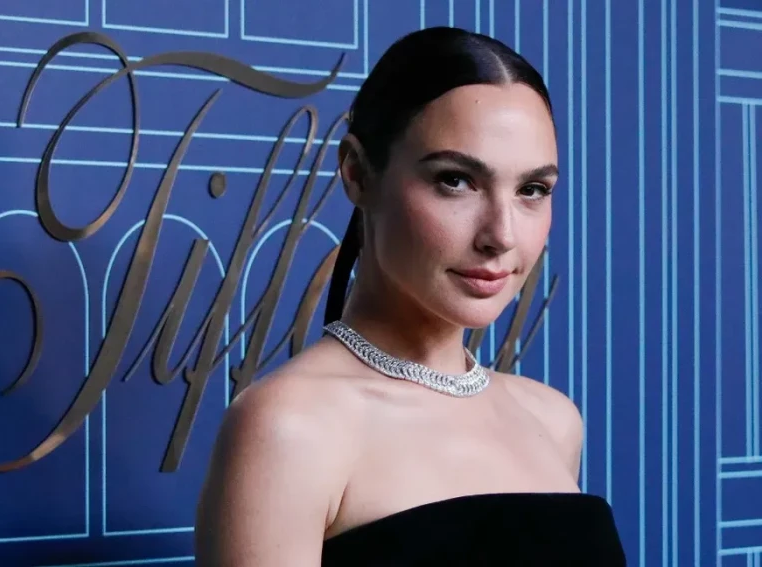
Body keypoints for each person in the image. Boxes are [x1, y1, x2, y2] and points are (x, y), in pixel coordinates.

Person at [194, 27, 626, 566]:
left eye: (532, 190)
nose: (502, 235)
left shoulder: (553, 421)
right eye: (455, 180)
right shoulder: (288, 429)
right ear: (357, 173)